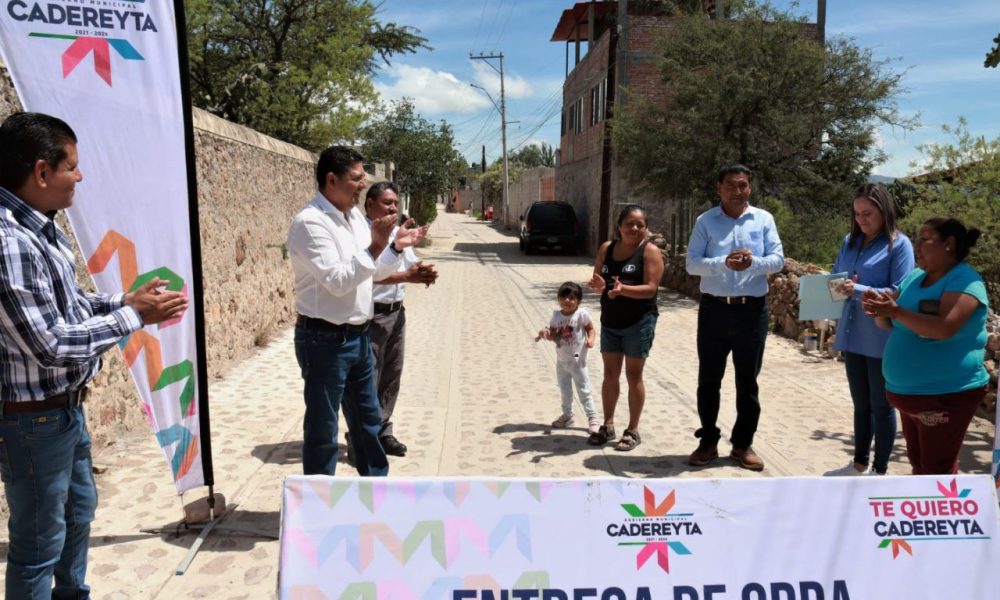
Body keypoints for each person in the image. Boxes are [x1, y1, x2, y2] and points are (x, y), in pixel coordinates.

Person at [0, 112, 188, 599]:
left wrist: (126, 300)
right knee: (38, 546)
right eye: (72, 167)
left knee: (78, 515)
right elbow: (51, 345)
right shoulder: (9, 241)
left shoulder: (40, 228)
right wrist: (133, 317)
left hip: (63, 414)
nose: (80, 177)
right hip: (33, 423)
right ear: (42, 172)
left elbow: (71, 305)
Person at [286, 146, 427, 477]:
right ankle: (320, 499)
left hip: (359, 336)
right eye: (356, 178)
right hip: (323, 340)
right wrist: (377, 246)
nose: (363, 185)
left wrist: (395, 247)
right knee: (323, 428)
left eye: (364, 178)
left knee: (368, 423)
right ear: (331, 179)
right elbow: (338, 281)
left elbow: (373, 272)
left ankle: (375, 491)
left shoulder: (353, 220)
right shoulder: (311, 223)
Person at [863, 217, 988, 475]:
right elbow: (886, 322)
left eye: (925, 240)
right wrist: (878, 308)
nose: (916, 246)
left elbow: (944, 328)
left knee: (935, 471)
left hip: (945, 393)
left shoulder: (965, 280)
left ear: (948, 244)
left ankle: (944, 503)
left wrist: (895, 312)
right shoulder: (916, 276)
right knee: (920, 466)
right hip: (910, 393)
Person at [685, 165, 784, 471]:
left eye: (742, 185)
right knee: (708, 380)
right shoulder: (705, 221)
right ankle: (708, 441)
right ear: (719, 188)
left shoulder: (764, 219)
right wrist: (723, 263)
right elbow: (692, 264)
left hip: (751, 312)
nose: (737, 191)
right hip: (714, 310)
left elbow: (778, 260)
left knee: (748, 382)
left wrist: (752, 263)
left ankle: (742, 445)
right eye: (730, 185)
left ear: (749, 188)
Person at [824, 184, 914, 477]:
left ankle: (880, 470)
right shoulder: (849, 241)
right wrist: (832, 286)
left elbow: (900, 292)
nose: (861, 220)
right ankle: (859, 463)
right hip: (852, 333)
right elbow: (837, 278)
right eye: (857, 214)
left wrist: (858, 288)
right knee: (860, 404)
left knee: (882, 405)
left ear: (884, 211)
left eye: (867, 213)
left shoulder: (899, 245)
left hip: (880, 336)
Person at [363, 182, 438, 457]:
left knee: (391, 376)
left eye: (395, 202)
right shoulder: (362, 233)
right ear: (370, 204)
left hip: (397, 313)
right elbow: (370, 275)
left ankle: (383, 431)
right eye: (387, 202)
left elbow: (409, 263)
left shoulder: (397, 232)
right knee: (368, 379)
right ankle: (362, 438)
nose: (393, 208)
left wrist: (422, 270)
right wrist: (408, 276)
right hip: (373, 315)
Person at [586, 205, 664, 451]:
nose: (635, 228)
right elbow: (598, 280)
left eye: (640, 225)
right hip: (610, 320)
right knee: (610, 374)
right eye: (630, 223)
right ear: (619, 226)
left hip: (639, 322)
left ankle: (632, 430)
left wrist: (623, 290)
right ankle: (608, 425)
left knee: (633, 375)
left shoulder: (649, 251)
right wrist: (598, 285)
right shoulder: (606, 249)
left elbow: (651, 289)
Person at [536, 281, 600, 434]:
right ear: (558, 299)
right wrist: (545, 334)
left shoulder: (581, 314)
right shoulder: (556, 316)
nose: (567, 301)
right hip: (561, 361)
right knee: (565, 391)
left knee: (584, 391)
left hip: (577, 361)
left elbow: (591, 329)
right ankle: (568, 415)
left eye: (572, 298)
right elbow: (553, 335)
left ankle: (593, 418)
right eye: (563, 297)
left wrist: (591, 340)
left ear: (579, 301)